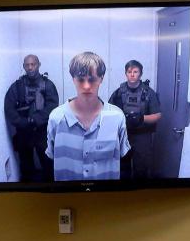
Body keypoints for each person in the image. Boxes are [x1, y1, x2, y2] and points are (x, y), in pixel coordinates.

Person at [45, 52, 130, 181]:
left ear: (101, 78)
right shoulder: (56, 118)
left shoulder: (117, 116)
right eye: (80, 79)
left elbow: (123, 155)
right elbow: (51, 155)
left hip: (106, 197)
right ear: (73, 79)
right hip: (67, 198)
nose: (86, 86)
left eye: (92, 79)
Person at [3, 54, 59, 182]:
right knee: (26, 166)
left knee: (47, 162)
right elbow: (9, 107)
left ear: (38, 65)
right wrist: (21, 122)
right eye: (27, 65)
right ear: (24, 67)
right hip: (24, 131)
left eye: (33, 64)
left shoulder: (48, 85)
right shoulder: (17, 86)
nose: (30, 67)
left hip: (42, 131)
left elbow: (52, 106)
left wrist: (36, 119)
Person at [108, 59, 162, 179]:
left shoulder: (149, 93)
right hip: (123, 135)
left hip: (142, 136)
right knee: (122, 167)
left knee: (141, 169)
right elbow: (108, 112)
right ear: (126, 73)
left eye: (135, 71)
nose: (132, 74)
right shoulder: (118, 93)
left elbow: (157, 115)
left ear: (140, 74)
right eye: (129, 71)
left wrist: (141, 118)